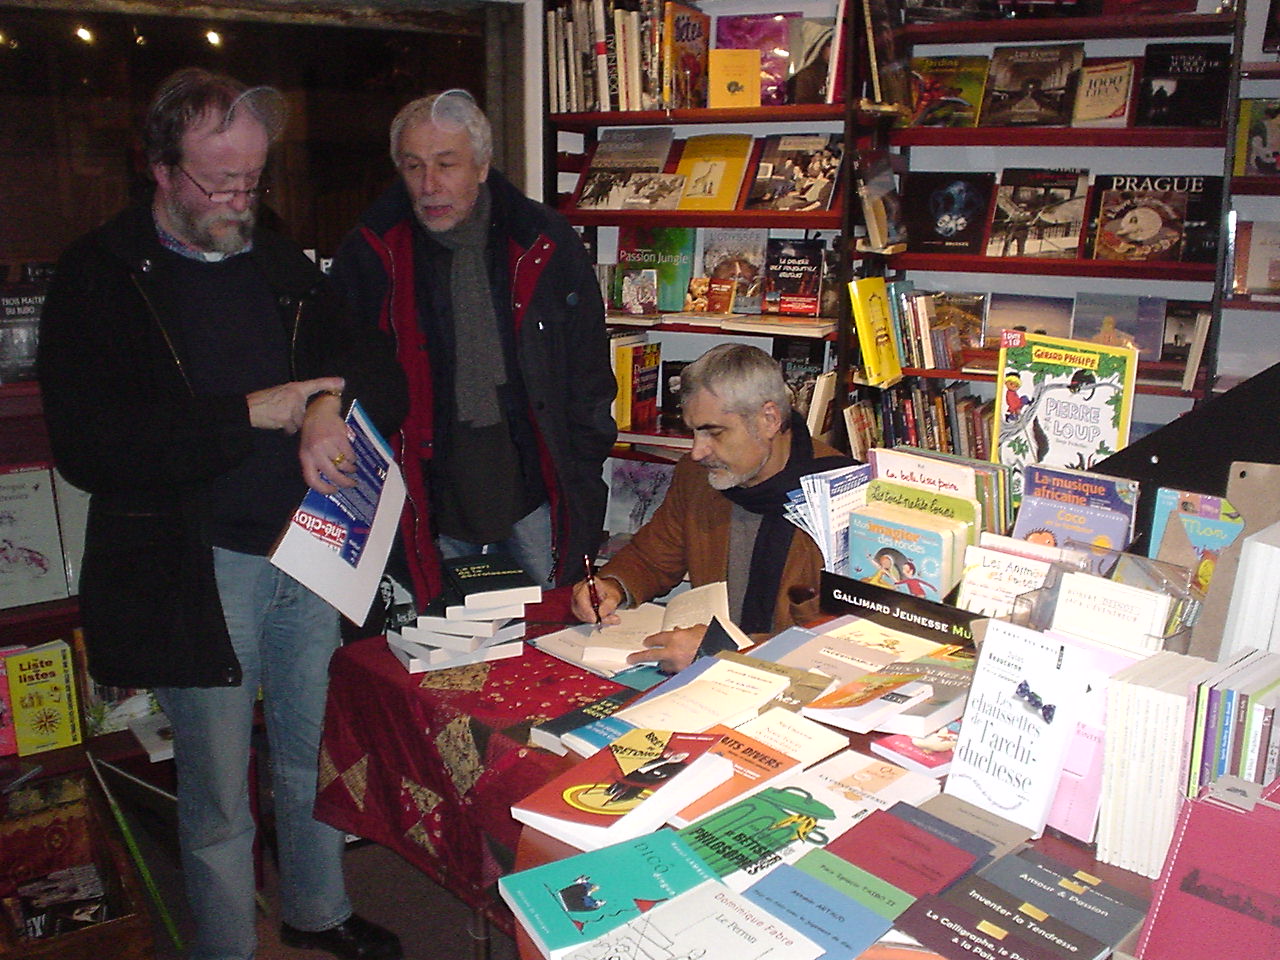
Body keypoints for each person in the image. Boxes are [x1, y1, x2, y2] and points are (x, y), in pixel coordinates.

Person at [37, 68, 408, 960]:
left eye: (253, 179)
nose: (241, 200)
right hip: (195, 569)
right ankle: (227, 947)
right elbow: (91, 448)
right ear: (161, 168)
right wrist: (250, 414)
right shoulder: (100, 276)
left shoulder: (278, 262)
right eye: (219, 183)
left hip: (307, 552)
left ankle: (317, 911)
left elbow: (375, 365)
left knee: (312, 756)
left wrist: (327, 403)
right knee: (215, 792)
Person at [330, 89, 615, 623]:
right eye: (413, 166)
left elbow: (588, 373)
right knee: (441, 650)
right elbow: (341, 372)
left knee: (544, 636)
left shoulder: (543, 242)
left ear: (482, 167)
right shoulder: (372, 253)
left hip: (537, 490)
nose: (429, 184)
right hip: (423, 500)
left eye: (446, 164)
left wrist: (583, 467)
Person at [570, 344, 854, 673]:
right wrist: (611, 587)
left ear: (769, 419)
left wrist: (724, 650)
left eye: (714, 432)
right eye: (693, 431)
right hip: (707, 678)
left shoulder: (844, 495)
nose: (697, 451)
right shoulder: (699, 478)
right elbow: (653, 557)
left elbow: (849, 639)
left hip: (797, 683)